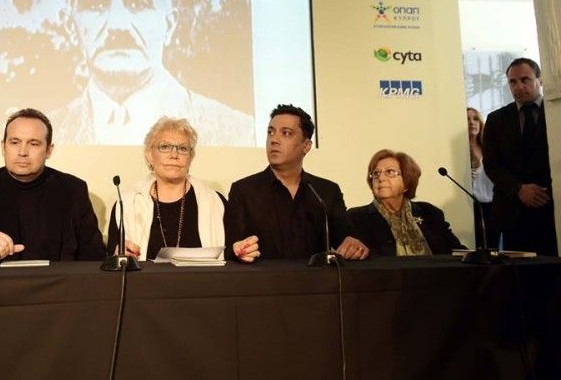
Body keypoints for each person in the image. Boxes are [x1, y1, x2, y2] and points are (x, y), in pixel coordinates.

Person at [50, 0, 255, 146]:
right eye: (96, 5)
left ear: (170, 25)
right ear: (71, 26)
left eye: (137, 4)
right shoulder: (50, 131)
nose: (118, 25)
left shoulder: (240, 130)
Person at [0, 108, 105, 265]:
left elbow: (93, 253)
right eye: (14, 142)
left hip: (56, 283)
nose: (22, 152)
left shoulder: (73, 190)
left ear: (49, 150)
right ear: (3, 147)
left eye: (33, 144)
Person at [226, 104, 368, 262]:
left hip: (316, 277)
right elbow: (231, 249)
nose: (274, 140)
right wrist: (238, 251)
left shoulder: (326, 192)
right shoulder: (244, 191)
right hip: (264, 277)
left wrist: (354, 246)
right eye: (270, 132)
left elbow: (347, 241)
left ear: (306, 146)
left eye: (286, 133)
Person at [106, 117, 226, 260]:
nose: (174, 155)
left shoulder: (214, 201)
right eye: (165, 147)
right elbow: (111, 258)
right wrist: (118, 255)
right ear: (150, 155)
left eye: (183, 148)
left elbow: (232, 254)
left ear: (190, 158)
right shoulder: (126, 204)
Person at [483, 58, 556, 255]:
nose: (519, 87)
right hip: (513, 210)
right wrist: (519, 189)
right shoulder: (496, 119)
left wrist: (544, 192)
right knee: (518, 269)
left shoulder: (555, 113)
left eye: (525, 80)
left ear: (540, 80)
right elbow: (491, 164)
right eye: (513, 82)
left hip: (552, 205)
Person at [347, 150, 464, 256]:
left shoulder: (430, 213)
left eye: (390, 172)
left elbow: (458, 252)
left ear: (407, 181)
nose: (381, 178)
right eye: (376, 173)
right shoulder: (356, 218)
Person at [467, 107, 496, 248]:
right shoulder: (460, 151)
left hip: (493, 205)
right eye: (467, 119)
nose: (472, 122)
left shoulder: (489, 148)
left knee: (493, 247)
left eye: (475, 119)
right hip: (472, 206)